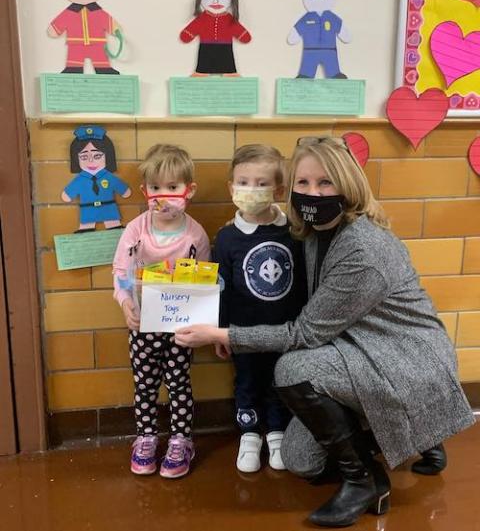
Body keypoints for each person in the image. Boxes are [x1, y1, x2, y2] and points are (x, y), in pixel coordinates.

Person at [175, 136, 475, 527]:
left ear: (348, 184)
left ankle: (365, 480)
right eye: (303, 183)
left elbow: (303, 335)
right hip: (355, 351)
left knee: (294, 369)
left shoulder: (364, 248)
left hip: (404, 359)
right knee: (302, 461)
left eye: (325, 182)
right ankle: (416, 431)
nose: (312, 192)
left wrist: (222, 335)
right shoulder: (314, 230)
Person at [112, 144, 210, 479]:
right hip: (142, 325)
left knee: (179, 382)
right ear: (144, 191)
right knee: (145, 385)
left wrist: (201, 321)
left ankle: (181, 440)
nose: (163, 196)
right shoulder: (136, 230)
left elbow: (202, 281)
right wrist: (126, 303)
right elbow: (120, 272)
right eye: (155, 188)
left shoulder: (195, 234)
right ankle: (147, 437)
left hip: (180, 329)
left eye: (172, 187)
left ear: (189, 191)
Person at [214, 144, 306, 473]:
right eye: (243, 181)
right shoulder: (226, 238)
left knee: (281, 380)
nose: (251, 190)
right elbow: (219, 288)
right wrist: (221, 332)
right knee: (248, 381)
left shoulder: (294, 232)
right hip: (243, 331)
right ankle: (250, 434)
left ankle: (278, 434)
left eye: (262, 183)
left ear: (279, 189)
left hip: (286, 330)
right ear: (231, 187)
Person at [48, 0, 121, 74]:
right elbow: (59, 23)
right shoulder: (70, 12)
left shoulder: (98, 11)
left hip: (97, 42)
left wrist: (114, 28)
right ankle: (72, 69)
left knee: (100, 59)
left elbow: (106, 20)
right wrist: (54, 29)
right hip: (76, 43)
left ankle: (104, 69)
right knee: (74, 60)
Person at [61, 125, 131, 232]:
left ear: (107, 156)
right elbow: (67, 195)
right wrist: (68, 194)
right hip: (88, 209)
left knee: (114, 228)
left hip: (108, 208)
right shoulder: (80, 179)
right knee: (86, 230)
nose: (91, 161)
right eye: (84, 157)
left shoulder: (108, 177)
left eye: (97, 156)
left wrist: (124, 191)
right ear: (76, 158)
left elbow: (124, 190)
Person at [180, 0, 251, 76]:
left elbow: (244, 36)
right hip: (206, 47)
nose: (216, 1)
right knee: (203, 63)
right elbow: (186, 35)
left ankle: (230, 73)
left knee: (227, 62)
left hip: (225, 48)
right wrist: (187, 34)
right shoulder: (202, 18)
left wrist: (243, 35)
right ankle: (201, 73)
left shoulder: (229, 18)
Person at [287, 0, 350, 79]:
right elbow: (295, 33)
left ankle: (335, 74)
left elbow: (344, 33)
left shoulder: (332, 17)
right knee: (307, 69)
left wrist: (345, 35)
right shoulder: (307, 18)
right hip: (310, 50)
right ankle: (305, 75)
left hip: (329, 50)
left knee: (332, 66)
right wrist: (294, 36)